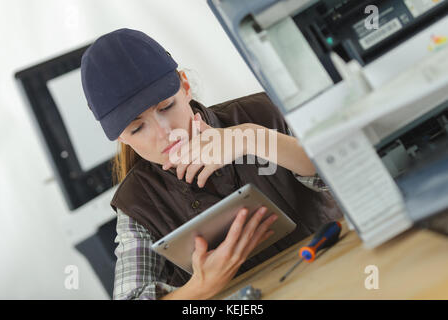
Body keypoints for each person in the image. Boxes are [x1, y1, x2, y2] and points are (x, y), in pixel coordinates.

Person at [81, 28, 343, 300]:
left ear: (184, 85)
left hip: (339, 276)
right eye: (137, 129)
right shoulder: (135, 205)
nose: (164, 132)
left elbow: (344, 168)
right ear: (121, 137)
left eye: (166, 107)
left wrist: (252, 138)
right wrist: (200, 287)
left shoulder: (261, 113)